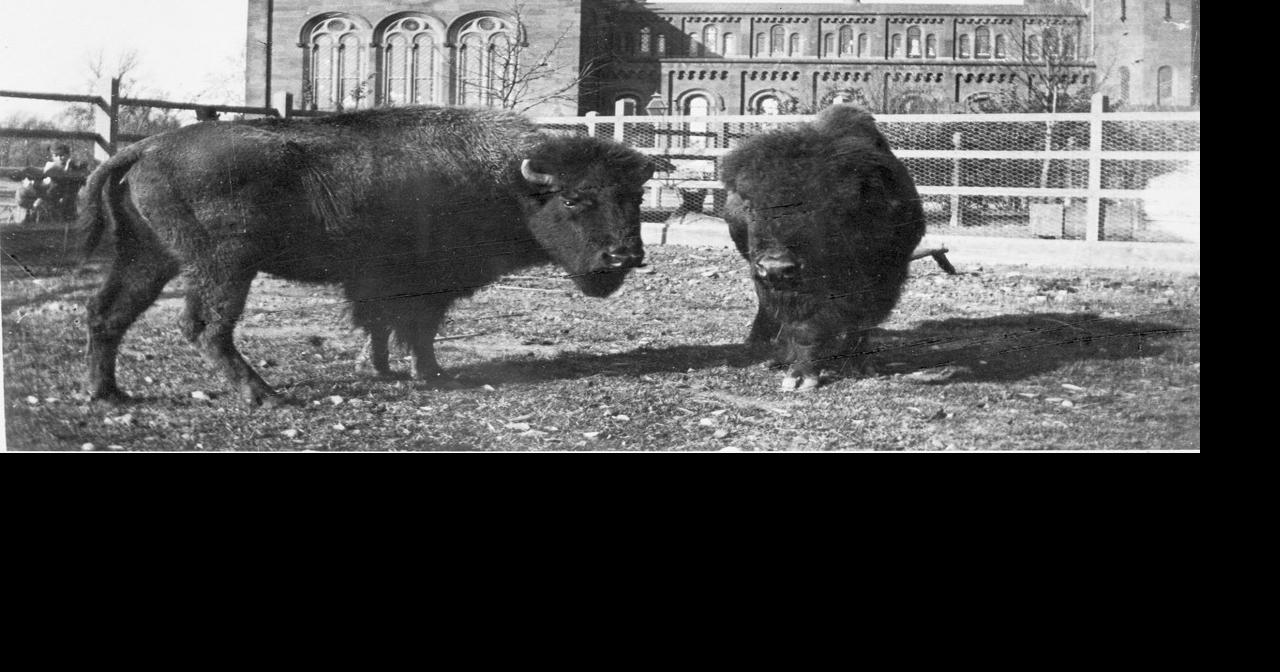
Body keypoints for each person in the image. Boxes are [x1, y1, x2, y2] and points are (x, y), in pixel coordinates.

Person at [41, 144, 88, 220]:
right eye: (56, 155)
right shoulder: (51, 166)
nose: (59, 158)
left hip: (70, 199)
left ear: (68, 155)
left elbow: (82, 178)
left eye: (62, 155)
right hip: (54, 196)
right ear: (52, 157)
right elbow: (48, 178)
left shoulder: (73, 167)